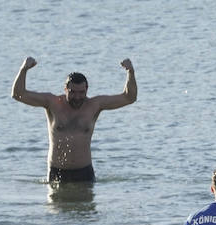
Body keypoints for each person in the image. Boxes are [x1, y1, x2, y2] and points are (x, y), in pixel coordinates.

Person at [11, 56, 137, 184]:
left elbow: (129, 98)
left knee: (86, 205)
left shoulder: (95, 105)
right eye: (72, 92)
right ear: (65, 89)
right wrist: (23, 69)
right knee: (55, 205)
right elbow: (18, 94)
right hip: (56, 172)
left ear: (87, 90)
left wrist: (130, 72)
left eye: (81, 92)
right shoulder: (52, 102)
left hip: (84, 173)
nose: (77, 97)